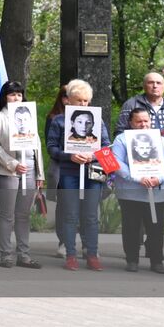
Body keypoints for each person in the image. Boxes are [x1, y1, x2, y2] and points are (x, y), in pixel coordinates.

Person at [47, 79, 108, 271]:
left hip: (92, 173)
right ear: (69, 100)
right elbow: (51, 148)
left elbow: (106, 145)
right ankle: (70, 255)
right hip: (68, 173)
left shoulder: (97, 120)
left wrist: (94, 155)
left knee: (91, 215)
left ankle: (92, 255)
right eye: (78, 100)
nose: (82, 104)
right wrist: (70, 156)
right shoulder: (58, 121)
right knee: (70, 214)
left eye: (85, 101)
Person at [112, 107, 164, 273]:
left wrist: (158, 178)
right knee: (131, 227)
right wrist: (137, 178)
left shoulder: (160, 140)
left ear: (151, 122)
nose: (143, 124)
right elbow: (117, 164)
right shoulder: (122, 140)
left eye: (146, 121)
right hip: (130, 192)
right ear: (131, 123)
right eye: (139, 121)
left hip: (156, 193)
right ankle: (132, 260)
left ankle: (156, 261)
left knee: (156, 228)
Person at [0, 81, 43, 269]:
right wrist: (12, 164)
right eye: (12, 94)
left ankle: (24, 255)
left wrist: (39, 173)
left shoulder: (29, 116)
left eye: (19, 94)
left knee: (24, 215)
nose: (16, 98)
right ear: (5, 96)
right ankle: (6, 255)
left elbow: (37, 146)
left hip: (29, 171)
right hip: (7, 171)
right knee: (7, 214)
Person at [114, 71, 164, 170]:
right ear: (144, 85)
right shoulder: (131, 104)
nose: (155, 86)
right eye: (151, 82)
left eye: (158, 83)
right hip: (140, 163)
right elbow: (120, 131)